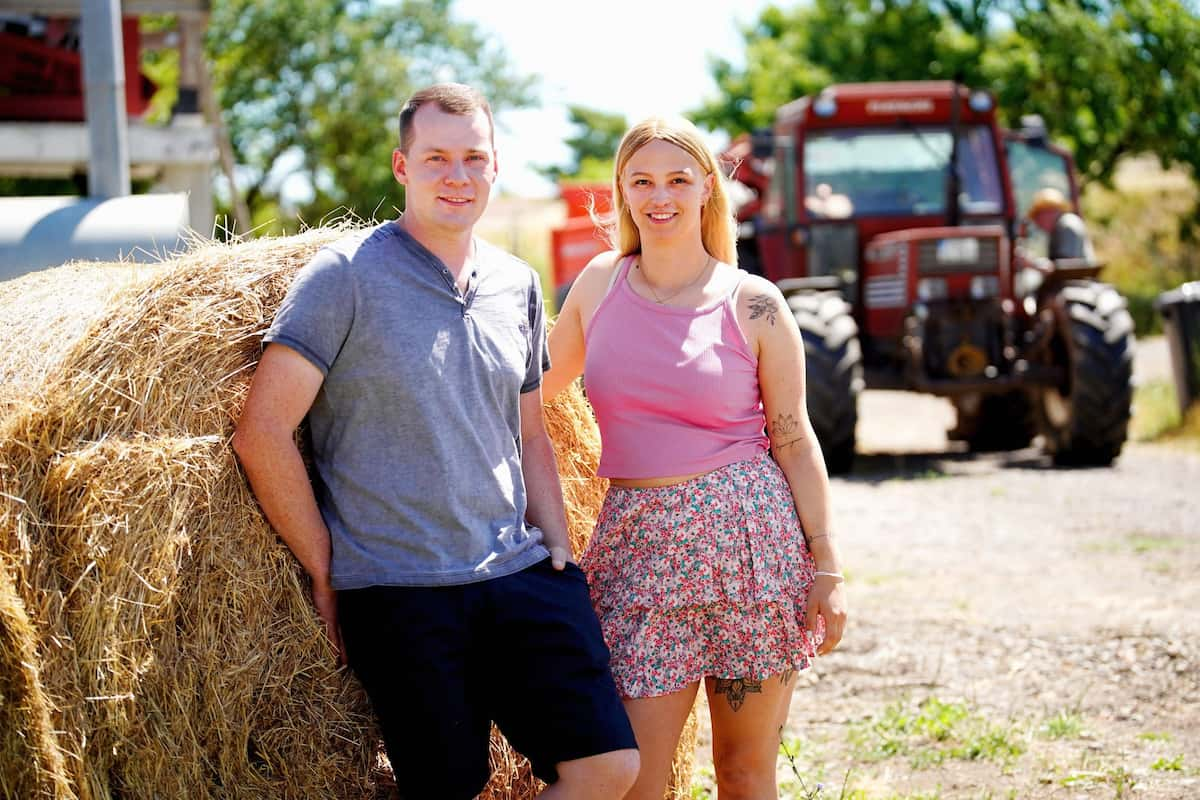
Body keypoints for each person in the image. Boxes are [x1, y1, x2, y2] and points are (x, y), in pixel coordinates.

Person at [231, 83, 638, 800]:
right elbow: (261, 432)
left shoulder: (518, 282)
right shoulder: (345, 277)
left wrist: (559, 551)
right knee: (446, 788)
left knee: (608, 768)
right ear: (402, 166)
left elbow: (530, 431)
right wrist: (329, 571)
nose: (457, 175)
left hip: (517, 573)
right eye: (437, 158)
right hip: (400, 591)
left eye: (473, 158)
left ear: (495, 167)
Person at [542, 116, 848, 800]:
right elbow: (532, 393)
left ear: (707, 187)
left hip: (752, 550)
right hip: (639, 553)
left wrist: (827, 566)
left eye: (679, 180)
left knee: (744, 774)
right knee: (638, 782)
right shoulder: (598, 285)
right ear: (620, 190)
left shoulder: (755, 303)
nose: (661, 196)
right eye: (642, 180)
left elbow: (793, 437)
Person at [1028, 186, 1095, 265]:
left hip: (1079, 277)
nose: (1037, 223)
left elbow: (1067, 266)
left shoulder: (1067, 225)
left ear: (1048, 212)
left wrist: (1032, 263)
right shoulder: (1059, 227)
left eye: (1037, 216)